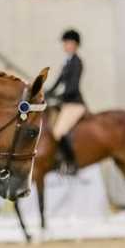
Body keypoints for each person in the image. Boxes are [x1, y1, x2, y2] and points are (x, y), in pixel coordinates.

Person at [45, 29, 86, 175]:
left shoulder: (77, 62)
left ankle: (72, 163)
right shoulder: (67, 62)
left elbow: (73, 87)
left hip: (74, 103)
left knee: (58, 131)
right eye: (65, 43)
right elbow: (58, 83)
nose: (65, 45)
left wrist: (58, 97)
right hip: (65, 102)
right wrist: (46, 93)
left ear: (75, 44)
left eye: (68, 42)